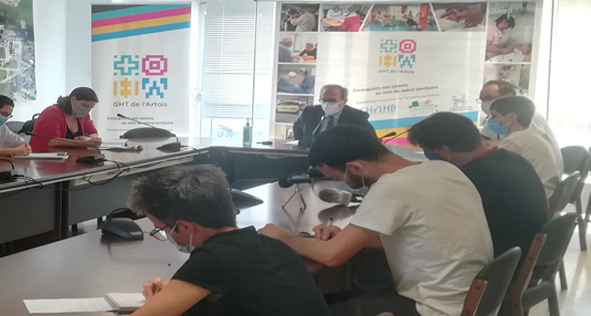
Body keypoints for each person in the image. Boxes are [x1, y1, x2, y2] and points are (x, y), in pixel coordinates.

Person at [259, 126, 492, 316]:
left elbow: (332, 256)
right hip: (467, 300)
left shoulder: (393, 185)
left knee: (298, 308)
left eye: (338, 177)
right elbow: (422, 238)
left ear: (355, 167)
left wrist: (283, 236)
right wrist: (348, 239)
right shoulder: (443, 169)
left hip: (430, 309)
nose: (343, 184)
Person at [130, 164, 331, 316]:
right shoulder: (273, 246)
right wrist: (177, 290)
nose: (165, 234)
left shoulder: (212, 258)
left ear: (184, 227)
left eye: (162, 228)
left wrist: (158, 301)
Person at [408, 112, 549, 260]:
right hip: (527, 252)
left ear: (444, 150)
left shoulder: (470, 178)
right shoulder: (512, 158)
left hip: (505, 260)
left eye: (428, 150)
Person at [477, 80, 561, 169]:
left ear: (508, 96)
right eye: (482, 99)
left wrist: (500, 144)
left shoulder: (526, 118)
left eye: (489, 98)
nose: (484, 102)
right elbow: (483, 139)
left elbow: (502, 157)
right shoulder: (505, 119)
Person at [491, 96, 561, 199]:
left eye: (494, 116)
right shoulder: (534, 134)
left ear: (511, 117)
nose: (491, 120)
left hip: (535, 196)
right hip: (547, 190)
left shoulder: (514, 140)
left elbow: (496, 171)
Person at [291, 84, 373, 146]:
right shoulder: (310, 112)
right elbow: (297, 126)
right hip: (311, 156)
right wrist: (302, 144)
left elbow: (370, 140)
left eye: (333, 100)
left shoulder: (357, 117)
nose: (327, 104)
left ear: (344, 101)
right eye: (324, 100)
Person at [30, 87, 102, 152]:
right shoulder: (52, 113)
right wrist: (84, 143)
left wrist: (89, 139)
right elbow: (52, 141)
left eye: (91, 107)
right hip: (44, 156)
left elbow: (94, 133)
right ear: (73, 100)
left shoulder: (83, 116)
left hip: (70, 157)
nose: (87, 110)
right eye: (84, 105)